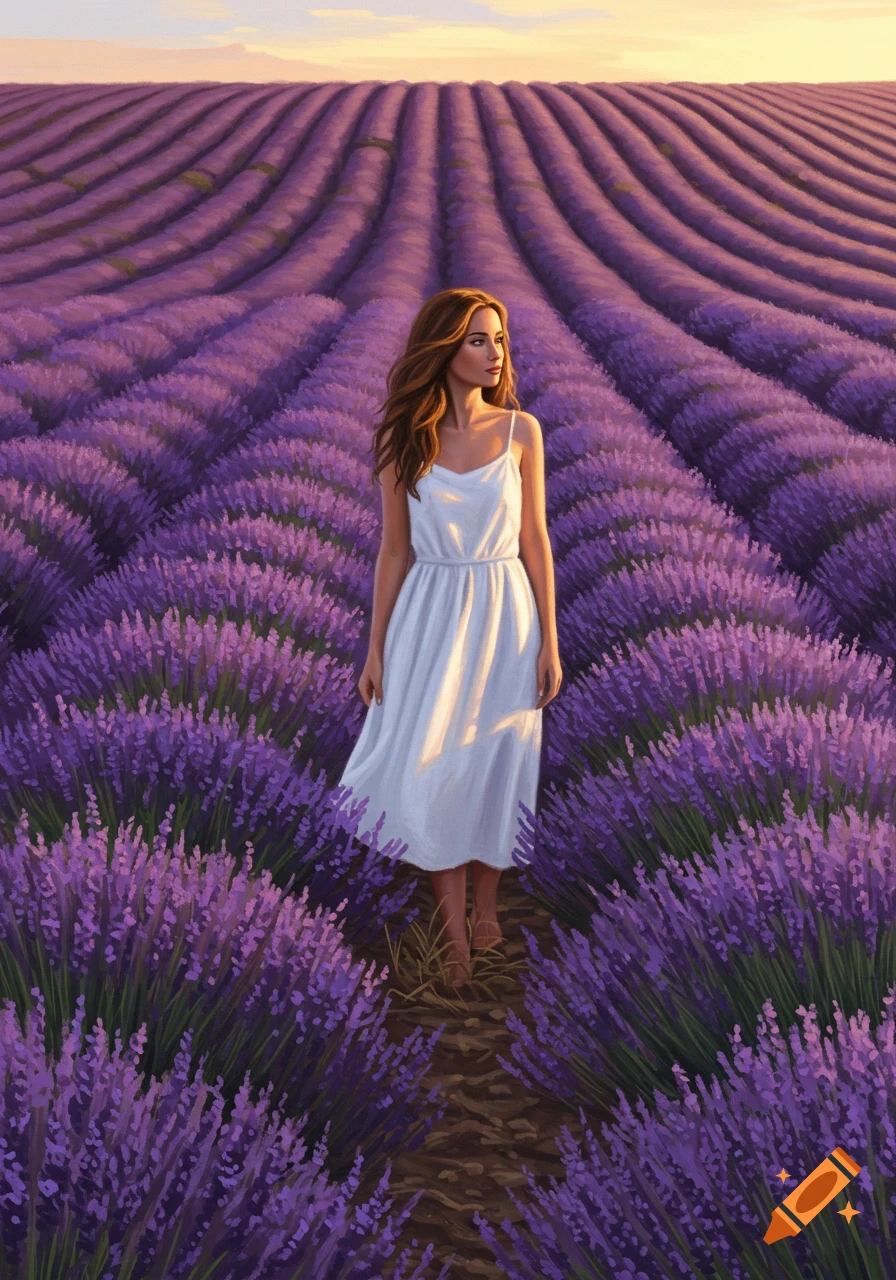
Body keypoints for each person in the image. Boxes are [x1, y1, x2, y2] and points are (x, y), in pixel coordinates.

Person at [336, 287, 562, 987]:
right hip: (431, 610)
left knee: (499, 756)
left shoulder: (522, 432)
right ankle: (454, 933)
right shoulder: (405, 440)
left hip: (504, 608)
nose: (494, 354)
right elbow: (393, 552)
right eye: (476, 340)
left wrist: (551, 639)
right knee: (435, 763)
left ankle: (488, 905)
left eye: (498, 339)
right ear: (443, 349)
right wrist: (375, 648)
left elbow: (535, 540)